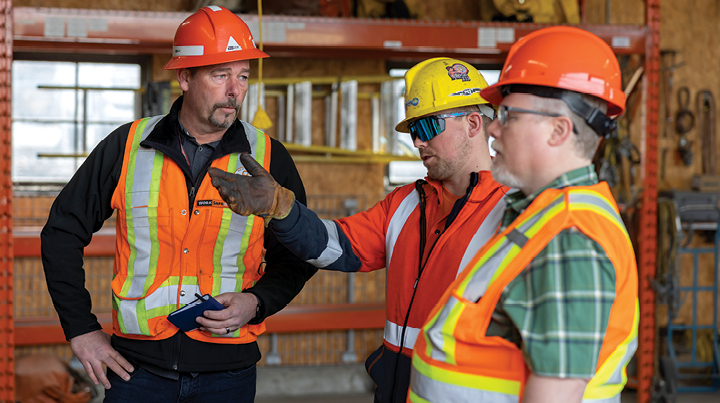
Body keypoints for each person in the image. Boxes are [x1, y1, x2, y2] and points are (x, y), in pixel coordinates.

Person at [41, 6, 316, 403]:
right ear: (185, 77)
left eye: (242, 75)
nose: (235, 90)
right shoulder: (127, 146)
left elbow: (300, 252)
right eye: (220, 75)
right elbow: (61, 233)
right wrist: (81, 329)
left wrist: (257, 302)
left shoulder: (270, 158)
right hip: (136, 372)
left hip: (229, 374)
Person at [208, 57, 509, 403]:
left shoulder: (513, 215)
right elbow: (335, 245)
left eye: (426, 128)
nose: (417, 143)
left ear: (473, 124)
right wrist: (281, 209)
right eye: (413, 131)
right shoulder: (406, 204)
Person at [407, 26, 639, 403]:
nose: (493, 129)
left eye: (509, 116)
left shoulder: (570, 239)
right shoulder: (539, 217)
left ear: (558, 130)